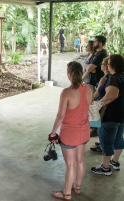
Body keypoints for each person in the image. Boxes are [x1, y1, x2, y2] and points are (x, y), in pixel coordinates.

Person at [48, 61, 93, 200]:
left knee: (70, 164)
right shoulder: (89, 89)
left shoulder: (66, 92)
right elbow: (88, 107)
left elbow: (60, 116)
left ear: (69, 75)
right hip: (84, 131)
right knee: (80, 160)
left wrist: (53, 132)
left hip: (70, 134)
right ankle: (77, 187)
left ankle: (66, 193)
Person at [91, 54, 124, 176]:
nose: (107, 65)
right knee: (118, 138)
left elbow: (111, 95)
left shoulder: (114, 78)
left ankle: (105, 167)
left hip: (110, 115)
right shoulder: (122, 76)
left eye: (108, 63)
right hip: (121, 114)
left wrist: (98, 104)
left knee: (106, 141)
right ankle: (114, 161)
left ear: (112, 66)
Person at [90, 57, 110, 152]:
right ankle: (101, 143)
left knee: (101, 127)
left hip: (101, 103)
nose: (101, 65)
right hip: (105, 104)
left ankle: (102, 146)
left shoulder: (104, 78)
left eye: (102, 63)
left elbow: (97, 93)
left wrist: (89, 100)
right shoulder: (111, 77)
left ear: (106, 66)